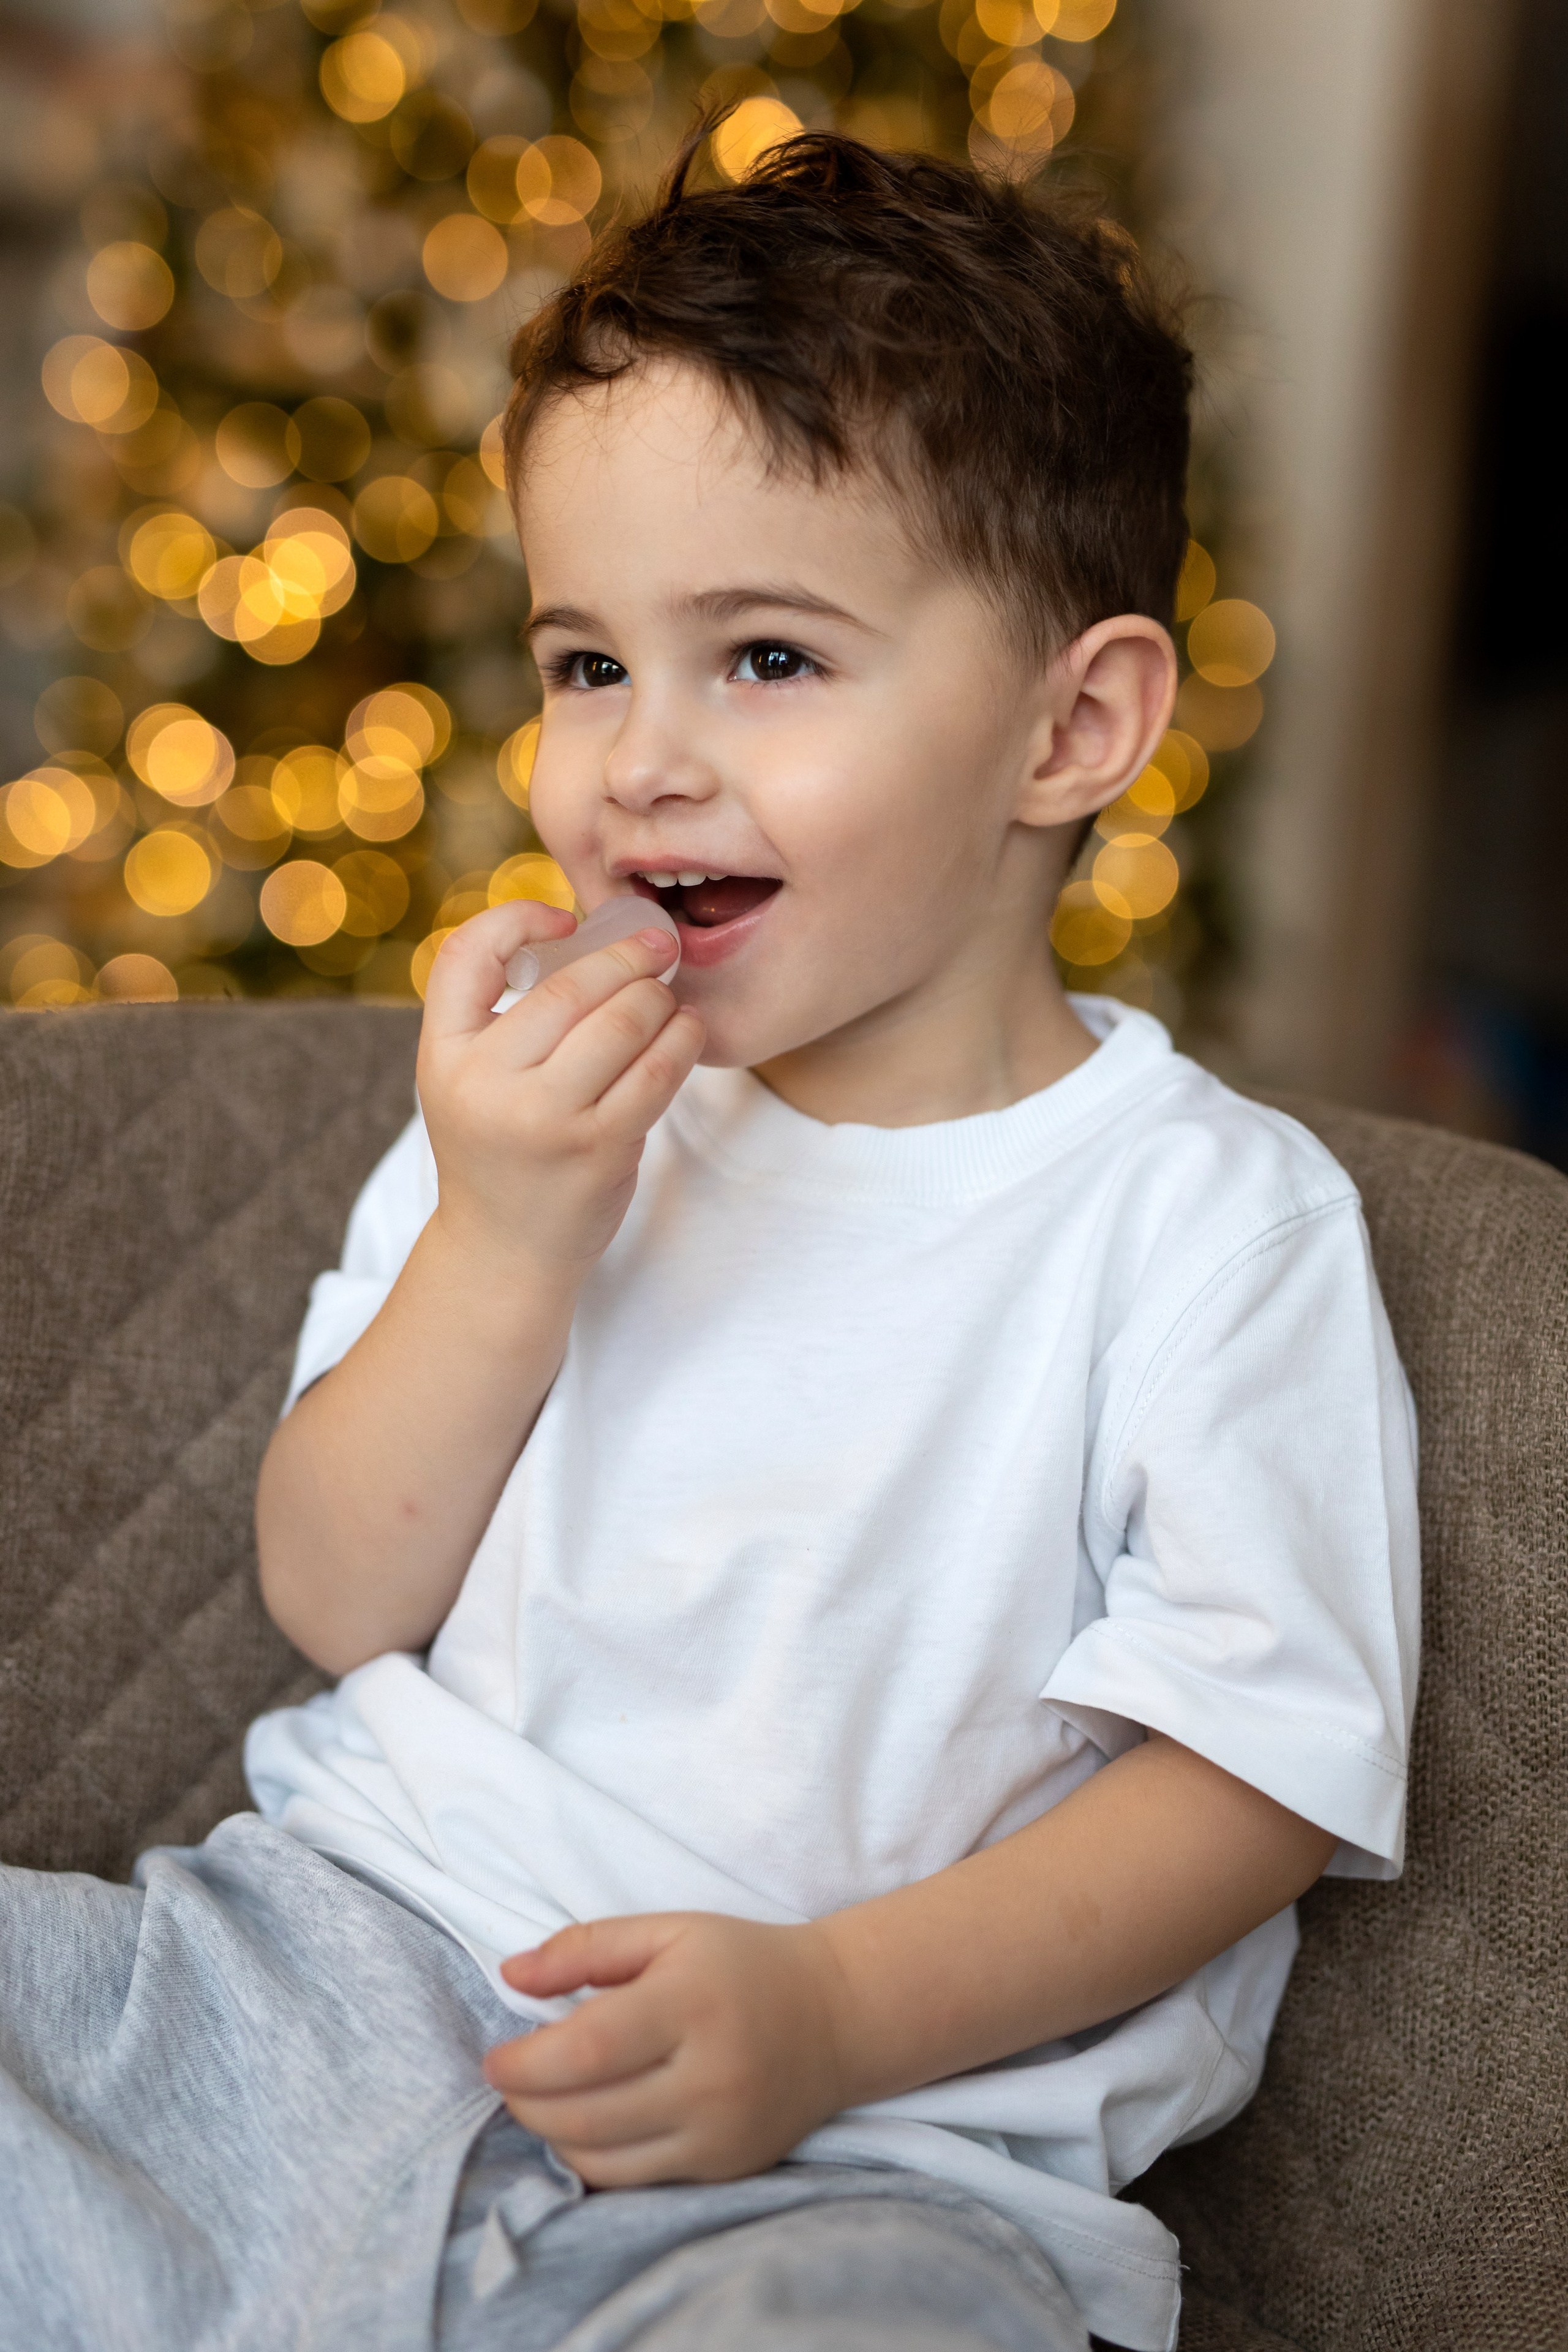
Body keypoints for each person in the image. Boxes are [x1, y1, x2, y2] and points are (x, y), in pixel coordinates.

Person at [0, 132, 1419, 2352]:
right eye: (584, 664)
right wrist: (505, 1234)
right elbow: (334, 1591)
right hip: (319, 1983)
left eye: (763, 655)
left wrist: (838, 2010)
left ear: (1076, 725)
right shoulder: (545, 1112)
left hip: (861, 2143)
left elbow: (1252, 1776)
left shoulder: (1207, 1224)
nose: (634, 764)